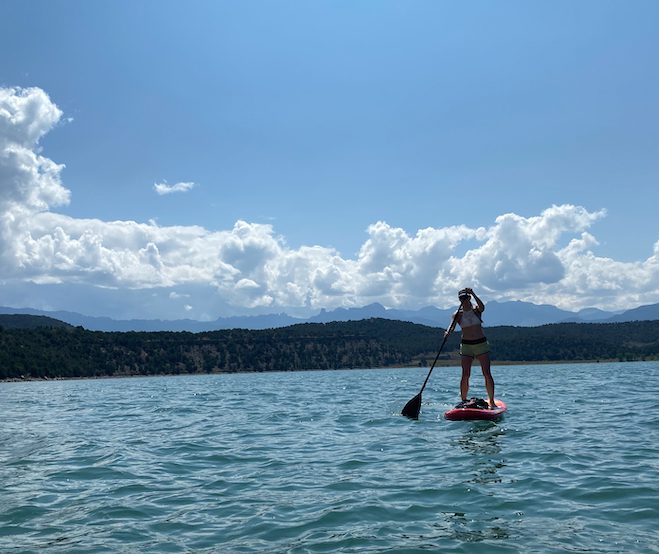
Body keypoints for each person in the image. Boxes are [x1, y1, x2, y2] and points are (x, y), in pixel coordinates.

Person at [444, 287, 496, 409]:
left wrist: (472, 292)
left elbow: (483, 307)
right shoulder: (457, 314)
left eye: (465, 297)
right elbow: (451, 327)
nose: (463, 300)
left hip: (481, 344)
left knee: (487, 373)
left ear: (469, 298)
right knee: (465, 374)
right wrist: (447, 333)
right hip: (466, 345)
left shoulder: (477, 310)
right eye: (461, 298)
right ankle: (463, 400)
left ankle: (492, 401)